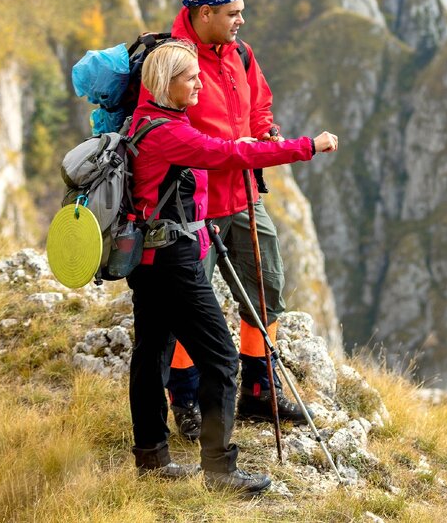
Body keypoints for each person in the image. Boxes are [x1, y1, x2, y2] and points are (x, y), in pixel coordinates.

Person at [127, 40, 338, 494]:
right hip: (174, 262)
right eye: (191, 78)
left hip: (146, 258)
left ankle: (151, 458)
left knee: (150, 354)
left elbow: (210, 153)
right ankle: (220, 471)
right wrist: (308, 147)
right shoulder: (171, 133)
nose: (199, 82)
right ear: (168, 84)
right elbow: (231, 157)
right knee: (221, 358)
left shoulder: (146, 123)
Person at [141, 0, 330, 426]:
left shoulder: (241, 55)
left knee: (267, 291)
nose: (241, 20)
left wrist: (267, 131)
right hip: (191, 208)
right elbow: (167, 131)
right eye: (232, 13)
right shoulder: (171, 61)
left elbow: (258, 105)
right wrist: (297, 146)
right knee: (190, 307)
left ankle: (260, 391)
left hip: (245, 197)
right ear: (204, 14)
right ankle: (184, 402)